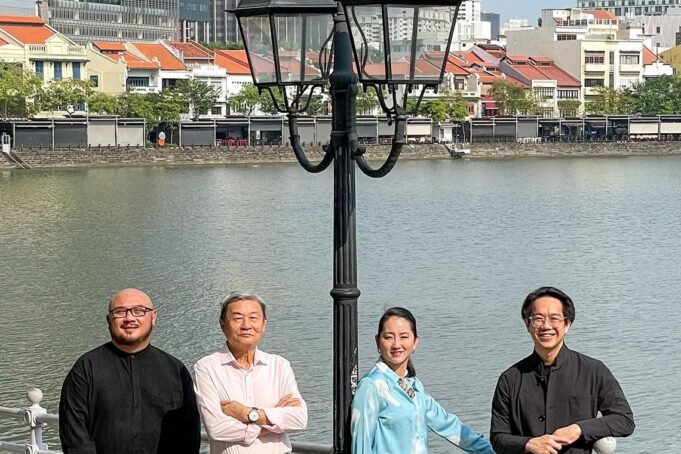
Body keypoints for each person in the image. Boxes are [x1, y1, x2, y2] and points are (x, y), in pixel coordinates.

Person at [490, 286, 635, 454]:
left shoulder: (593, 371)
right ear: (527, 324)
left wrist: (579, 429)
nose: (546, 326)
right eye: (538, 319)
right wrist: (528, 444)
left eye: (554, 318)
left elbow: (624, 420)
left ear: (567, 324)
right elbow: (498, 438)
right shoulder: (510, 379)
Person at [59, 288, 201, 454]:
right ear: (109, 320)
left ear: (153, 317)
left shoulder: (175, 371)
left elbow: (189, 436)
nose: (129, 318)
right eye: (120, 312)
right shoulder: (86, 369)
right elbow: (74, 435)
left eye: (139, 311)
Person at [351, 307, 495, 454]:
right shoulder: (372, 386)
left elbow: (447, 424)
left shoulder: (413, 385)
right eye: (388, 337)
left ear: (415, 342)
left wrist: (490, 450)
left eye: (404, 337)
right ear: (377, 341)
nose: (396, 344)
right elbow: (361, 446)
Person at [194, 292, 307, 454]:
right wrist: (274, 421)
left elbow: (299, 419)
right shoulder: (207, 368)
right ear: (223, 325)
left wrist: (246, 413)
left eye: (253, 318)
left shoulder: (279, 365)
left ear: (264, 324)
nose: (246, 325)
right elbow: (217, 428)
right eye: (237, 318)